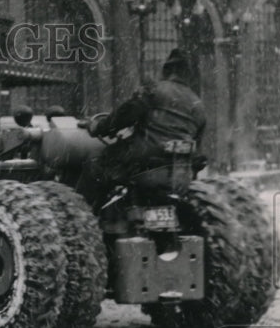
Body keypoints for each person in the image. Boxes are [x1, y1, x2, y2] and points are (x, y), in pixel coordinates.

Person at [76, 48, 206, 209]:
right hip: (178, 169)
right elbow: (198, 145)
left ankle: (81, 215)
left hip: (143, 160)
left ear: (167, 70)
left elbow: (123, 116)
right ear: (189, 74)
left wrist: (98, 127)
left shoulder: (154, 90)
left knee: (94, 163)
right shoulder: (198, 104)